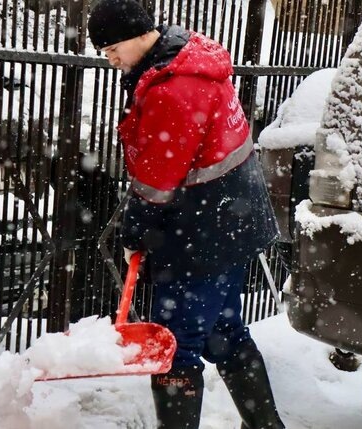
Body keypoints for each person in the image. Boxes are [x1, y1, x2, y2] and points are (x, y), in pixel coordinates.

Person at [86, 1, 285, 428]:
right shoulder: (185, 61)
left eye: (113, 49)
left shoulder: (172, 89)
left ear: (141, 35)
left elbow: (158, 180)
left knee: (176, 344)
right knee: (226, 332)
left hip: (204, 232)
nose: (113, 61)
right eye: (106, 54)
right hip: (229, 222)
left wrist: (133, 231)